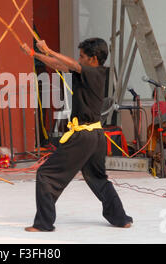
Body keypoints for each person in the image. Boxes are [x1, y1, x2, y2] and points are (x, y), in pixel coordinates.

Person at [21, 38, 133, 232]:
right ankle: (120, 218)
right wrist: (34, 54)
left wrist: (49, 49)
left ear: (94, 59)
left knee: (46, 174)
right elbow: (61, 65)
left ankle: (44, 223)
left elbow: (71, 64)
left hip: (84, 136)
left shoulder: (97, 73)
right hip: (95, 135)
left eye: (82, 56)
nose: (78, 60)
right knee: (97, 178)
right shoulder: (86, 73)